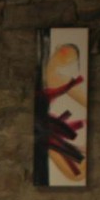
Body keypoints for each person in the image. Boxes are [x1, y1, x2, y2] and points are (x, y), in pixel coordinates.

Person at [34, 42, 86, 184]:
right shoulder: (39, 70)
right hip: (42, 129)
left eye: (70, 59)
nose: (65, 58)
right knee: (76, 173)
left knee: (77, 174)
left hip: (45, 130)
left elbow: (83, 99)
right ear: (57, 49)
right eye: (64, 52)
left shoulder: (60, 79)